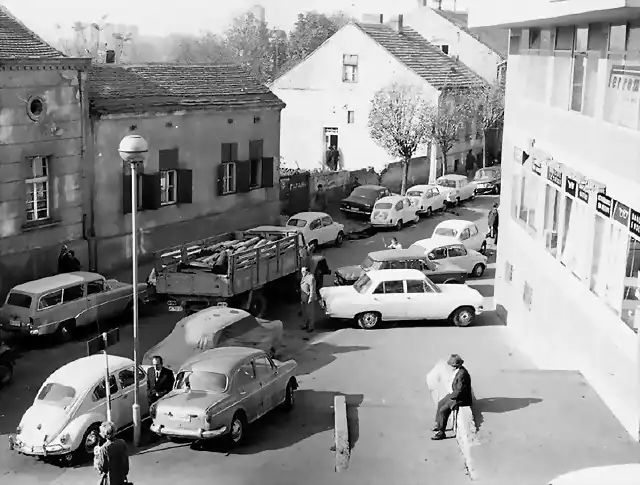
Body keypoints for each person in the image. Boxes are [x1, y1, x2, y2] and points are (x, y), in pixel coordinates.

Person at [432, 354, 472, 440]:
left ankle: (441, 432)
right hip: (454, 395)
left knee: (443, 410)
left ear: (455, 365)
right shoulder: (458, 371)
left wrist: (451, 397)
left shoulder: (462, 375)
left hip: (460, 399)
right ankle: (438, 425)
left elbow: (460, 391)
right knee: (440, 403)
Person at [93, 421, 130, 485]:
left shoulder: (104, 448)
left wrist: (96, 456)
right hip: (121, 476)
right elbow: (125, 459)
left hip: (111, 479)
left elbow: (102, 467)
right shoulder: (122, 442)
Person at [300, 267, 316, 333]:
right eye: (302, 271)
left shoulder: (311, 278)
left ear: (307, 271)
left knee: (310, 313)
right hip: (303, 298)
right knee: (304, 312)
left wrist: (310, 298)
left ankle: (310, 326)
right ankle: (305, 324)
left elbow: (312, 290)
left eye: (303, 271)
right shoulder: (304, 277)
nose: (302, 273)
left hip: (308, 298)